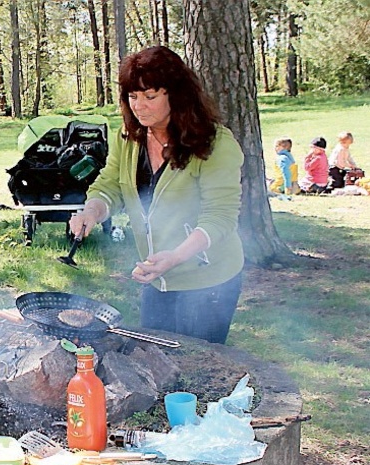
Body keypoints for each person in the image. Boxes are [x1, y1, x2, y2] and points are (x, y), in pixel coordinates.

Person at [68, 45, 245, 345]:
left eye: (150, 96)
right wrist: (92, 212)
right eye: (132, 96)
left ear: (176, 94)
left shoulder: (215, 144)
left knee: (197, 371)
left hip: (207, 280)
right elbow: (109, 185)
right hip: (156, 278)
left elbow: (220, 217)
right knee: (157, 363)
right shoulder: (129, 138)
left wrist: (176, 256)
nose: (139, 106)